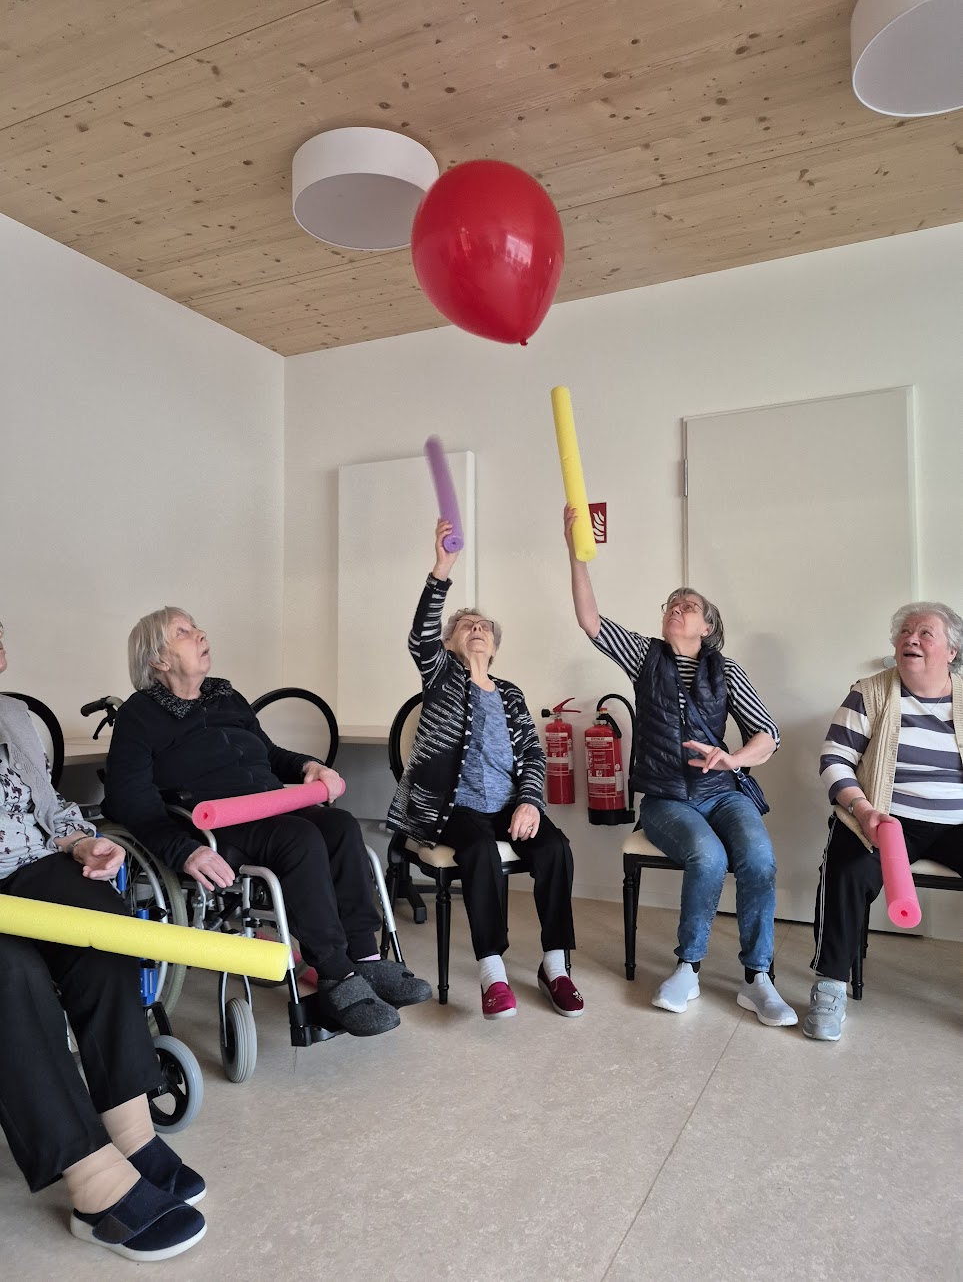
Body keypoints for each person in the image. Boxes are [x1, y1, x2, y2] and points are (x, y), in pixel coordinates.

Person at [103, 607, 430, 1039]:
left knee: (341, 826)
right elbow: (130, 799)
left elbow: (269, 754)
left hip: (269, 805)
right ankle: (335, 973)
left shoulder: (226, 697)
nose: (199, 633)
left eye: (196, 625)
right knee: (300, 838)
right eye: (183, 631)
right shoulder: (139, 715)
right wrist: (183, 850)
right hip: (215, 822)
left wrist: (309, 766)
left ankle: (366, 959)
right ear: (157, 659)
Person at [0, 618, 207, 1261]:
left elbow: (47, 808)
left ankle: (130, 1130)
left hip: (28, 868)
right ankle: (92, 1185)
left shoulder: (12, 716)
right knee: (12, 972)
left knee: (104, 926)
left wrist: (80, 841)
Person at [563, 506, 796, 1026]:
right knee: (707, 857)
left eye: (688, 605)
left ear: (707, 626)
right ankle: (688, 969)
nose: (676, 608)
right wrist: (576, 553)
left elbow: (768, 735)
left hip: (723, 792)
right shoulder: (644, 657)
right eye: (671, 603)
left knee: (759, 858)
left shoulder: (726, 670)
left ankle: (758, 979)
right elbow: (590, 621)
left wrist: (732, 759)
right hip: (667, 798)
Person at [387, 520, 583, 1020]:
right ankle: (493, 973)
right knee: (477, 852)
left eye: (484, 627)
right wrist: (442, 567)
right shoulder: (441, 678)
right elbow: (420, 637)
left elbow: (533, 756)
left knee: (555, 849)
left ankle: (556, 966)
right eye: (466, 625)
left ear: (494, 647)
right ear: (450, 644)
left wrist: (530, 802)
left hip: (509, 806)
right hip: (454, 808)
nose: (477, 628)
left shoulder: (511, 694)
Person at [808, 601, 963, 1041]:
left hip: (957, 821)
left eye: (925, 633)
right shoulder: (870, 692)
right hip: (885, 818)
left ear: (951, 651)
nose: (911, 639)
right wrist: (863, 809)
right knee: (846, 868)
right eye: (905, 632)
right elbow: (834, 758)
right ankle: (830, 985)